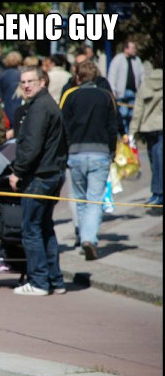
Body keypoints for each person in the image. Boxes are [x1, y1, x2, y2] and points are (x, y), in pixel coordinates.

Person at [8, 66, 68, 296]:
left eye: (31, 81)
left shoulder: (40, 108)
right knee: (44, 227)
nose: (26, 85)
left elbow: (31, 146)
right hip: (51, 173)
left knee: (31, 229)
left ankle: (40, 282)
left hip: (40, 176)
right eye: (23, 82)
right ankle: (55, 280)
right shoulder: (45, 105)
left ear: (42, 82)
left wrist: (18, 172)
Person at [60, 60, 118, 261]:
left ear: (78, 77)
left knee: (79, 198)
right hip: (100, 152)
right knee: (95, 200)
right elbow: (113, 126)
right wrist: (112, 151)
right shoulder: (105, 97)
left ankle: (83, 235)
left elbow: (63, 126)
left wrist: (65, 151)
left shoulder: (71, 97)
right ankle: (89, 238)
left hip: (75, 153)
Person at [129, 51, 163, 214]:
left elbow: (138, 109)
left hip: (149, 128)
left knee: (155, 160)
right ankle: (158, 193)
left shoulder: (146, 83)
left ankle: (157, 193)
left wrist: (132, 131)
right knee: (160, 158)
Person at [107, 40, 145, 134]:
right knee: (123, 115)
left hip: (134, 93)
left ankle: (130, 135)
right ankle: (124, 135)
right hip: (121, 93)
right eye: (132, 48)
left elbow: (142, 76)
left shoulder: (137, 60)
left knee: (132, 116)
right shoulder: (118, 59)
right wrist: (113, 91)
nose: (135, 50)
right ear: (126, 49)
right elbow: (112, 75)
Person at [0, 50, 23, 126]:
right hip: (19, 106)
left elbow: (0, 93)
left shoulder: (3, 75)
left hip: (7, 107)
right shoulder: (21, 75)